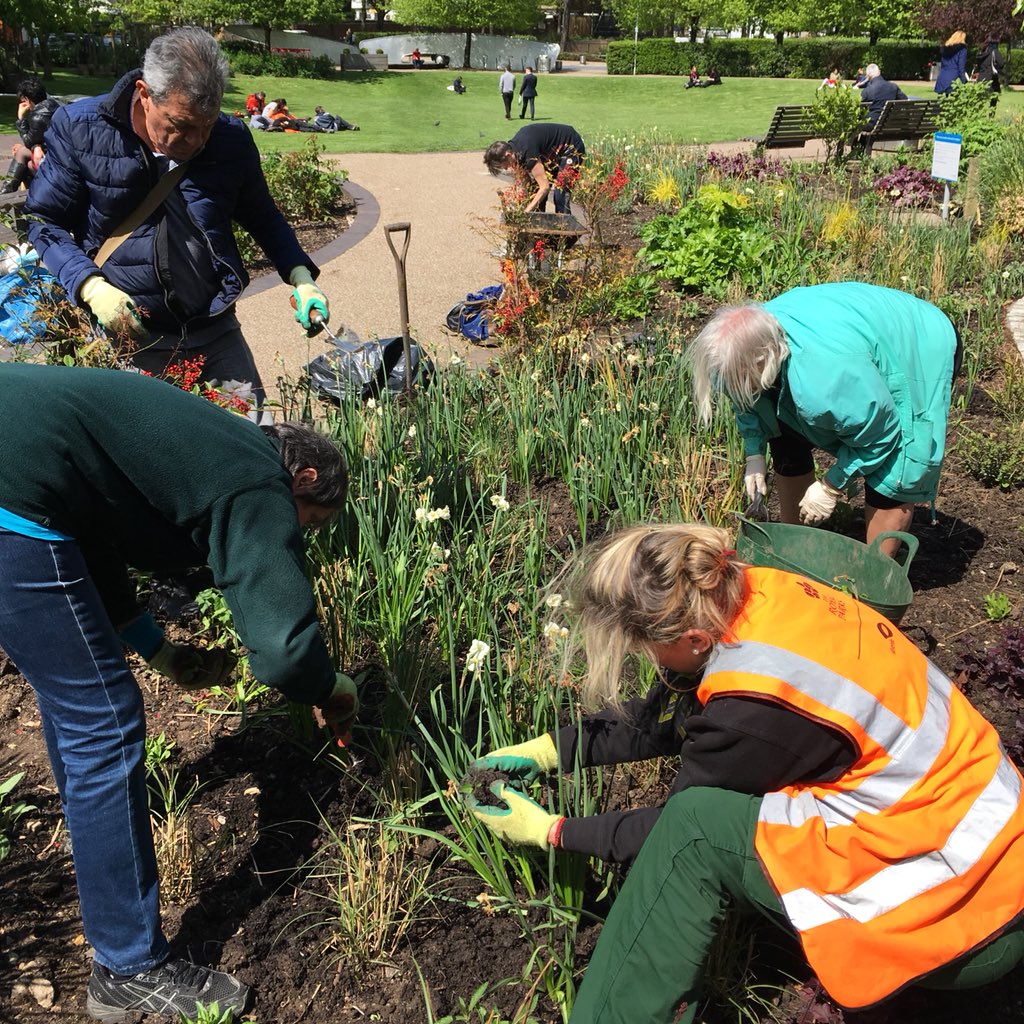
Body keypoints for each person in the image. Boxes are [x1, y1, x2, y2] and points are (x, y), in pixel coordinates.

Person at [485, 523, 1024, 1024]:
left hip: (964, 916)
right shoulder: (752, 593)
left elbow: (671, 831)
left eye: (646, 646)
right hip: (991, 842)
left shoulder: (751, 710)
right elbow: (669, 719)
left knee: (695, 830)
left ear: (693, 640)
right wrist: (549, 751)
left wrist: (553, 831)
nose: (644, 658)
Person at [0, 362, 359, 1021]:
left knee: (83, 706)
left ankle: (104, 883)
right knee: (102, 723)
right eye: (308, 523)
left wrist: (160, 652)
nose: (296, 534)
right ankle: (128, 968)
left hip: (22, 479)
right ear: (303, 479)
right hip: (12, 490)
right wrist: (332, 686)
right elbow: (280, 654)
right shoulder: (258, 476)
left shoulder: (206, 447)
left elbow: (90, 526)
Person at [24, 28, 331, 404]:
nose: (196, 141)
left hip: (215, 329)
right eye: (181, 126)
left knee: (254, 440)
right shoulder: (81, 129)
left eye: (207, 125)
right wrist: (91, 287)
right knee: (156, 456)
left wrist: (301, 277)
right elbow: (44, 222)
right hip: (132, 338)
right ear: (144, 94)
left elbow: (263, 216)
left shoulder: (230, 139)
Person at [688, 282, 959, 557]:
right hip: (851, 330)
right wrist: (753, 453)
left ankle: (873, 578)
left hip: (919, 340)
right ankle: (799, 553)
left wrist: (831, 486)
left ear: (766, 358)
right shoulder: (737, 345)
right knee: (785, 434)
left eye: (742, 378)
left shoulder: (823, 378)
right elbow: (747, 398)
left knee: (893, 470)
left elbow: (882, 435)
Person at [483, 123, 585, 214]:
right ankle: (539, 230)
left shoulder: (527, 152)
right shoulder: (515, 153)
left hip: (571, 146)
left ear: (508, 155)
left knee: (560, 194)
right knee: (535, 192)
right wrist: (523, 203)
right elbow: (527, 185)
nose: (505, 169)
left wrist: (527, 212)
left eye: (504, 165)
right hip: (551, 154)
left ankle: (566, 231)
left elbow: (544, 187)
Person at [2, 76, 62, 193]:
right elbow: (37, 139)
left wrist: (21, 118)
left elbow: (29, 141)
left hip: (54, 164)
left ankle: (5, 192)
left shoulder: (39, 116)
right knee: (27, 165)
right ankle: (9, 192)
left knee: (21, 152)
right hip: (59, 159)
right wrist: (36, 146)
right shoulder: (54, 106)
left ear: (26, 99)